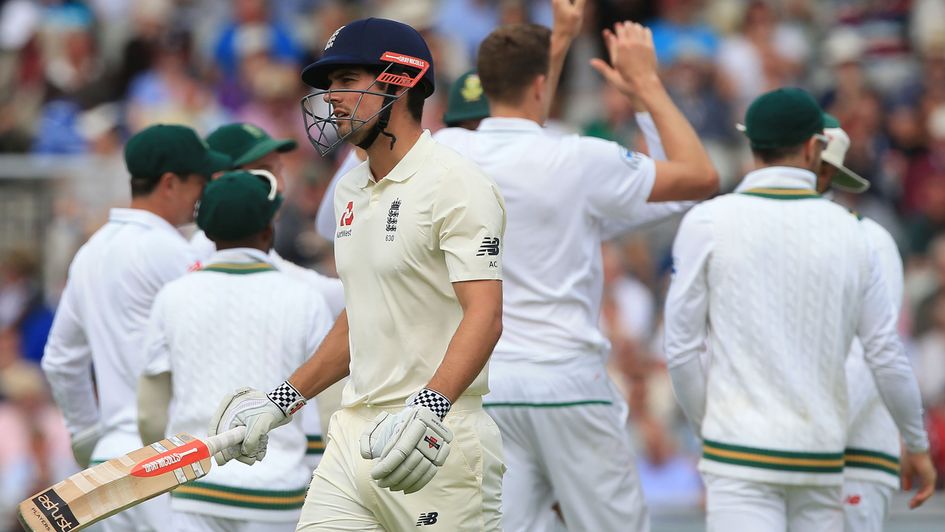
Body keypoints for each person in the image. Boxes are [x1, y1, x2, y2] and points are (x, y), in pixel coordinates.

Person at [209, 18, 507, 531]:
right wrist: (281, 402)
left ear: (401, 82)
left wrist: (428, 407)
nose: (332, 97)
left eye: (347, 80)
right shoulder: (349, 189)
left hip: (434, 440)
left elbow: (486, 314)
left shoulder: (457, 183)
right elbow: (362, 314)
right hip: (351, 437)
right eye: (329, 84)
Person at [432, 12, 718, 532]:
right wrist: (645, 87)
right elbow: (698, 177)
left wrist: (558, 43)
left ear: (483, 83)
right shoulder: (579, 158)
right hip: (569, 380)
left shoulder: (446, 151)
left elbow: (525, 115)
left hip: (487, 385)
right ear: (542, 85)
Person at [664, 88, 935, 532]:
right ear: (813, 148)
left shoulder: (708, 221)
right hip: (821, 456)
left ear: (751, 144)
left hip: (743, 453)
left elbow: (680, 351)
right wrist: (917, 441)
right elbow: (886, 354)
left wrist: (708, 429)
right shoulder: (858, 235)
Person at [41, 124, 230, 532]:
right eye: (200, 180)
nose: (204, 192)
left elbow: (59, 360)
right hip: (167, 459)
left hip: (110, 463)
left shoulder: (90, 251)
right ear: (170, 183)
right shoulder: (171, 251)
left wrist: (90, 440)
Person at [137, 170, 333, 532]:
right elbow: (325, 410)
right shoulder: (306, 299)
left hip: (195, 487)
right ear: (268, 229)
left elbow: (150, 414)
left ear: (208, 232)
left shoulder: (173, 296)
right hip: (278, 494)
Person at [201, 122, 346, 466]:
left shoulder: (292, 279)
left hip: (258, 451)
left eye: (279, 171)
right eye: (264, 173)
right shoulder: (192, 262)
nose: (279, 186)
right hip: (230, 454)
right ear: (220, 178)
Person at [814, 115, 902, 532]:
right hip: (788, 453)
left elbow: (873, 355)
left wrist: (814, 437)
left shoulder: (871, 239)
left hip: (852, 456)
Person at [314, 68, 492, 242]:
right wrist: (368, 145)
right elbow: (328, 228)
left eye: (489, 125)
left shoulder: (454, 172)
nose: (474, 139)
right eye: (464, 127)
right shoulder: (432, 162)